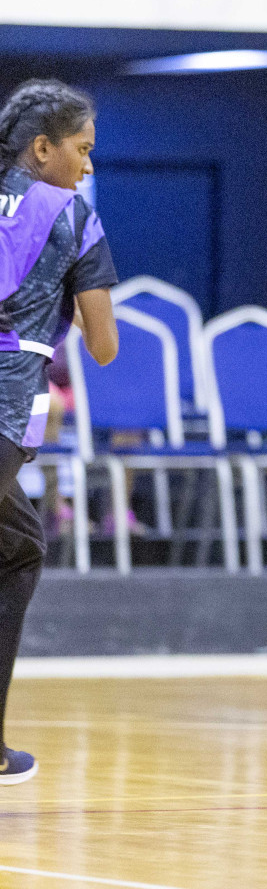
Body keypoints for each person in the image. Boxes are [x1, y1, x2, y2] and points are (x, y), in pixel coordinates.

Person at [0, 79, 119, 786]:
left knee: (19, 544)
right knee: (18, 553)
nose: (88, 165)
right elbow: (103, 345)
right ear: (42, 149)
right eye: (82, 149)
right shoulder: (71, 215)